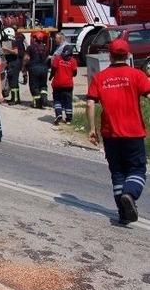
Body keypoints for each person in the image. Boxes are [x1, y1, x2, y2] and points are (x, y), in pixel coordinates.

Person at [86, 39, 150, 224]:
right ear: (128, 55)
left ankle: (123, 214)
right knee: (137, 169)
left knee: (117, 172)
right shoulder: (137, 75)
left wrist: (92, 129)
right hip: (134, 132)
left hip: (110, 134)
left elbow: (90, 103)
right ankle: (130, 194)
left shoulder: (100, 77)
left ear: (110, 56)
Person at [49, 45, 78, 125]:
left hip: (57, 84)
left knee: (57, 99)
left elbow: (53, 69)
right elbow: (75, 73)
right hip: (68, 85)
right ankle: (68, 119)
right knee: (68, 101)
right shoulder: (73, 61)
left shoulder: (58, 58)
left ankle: (59, 114)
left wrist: (51, 77)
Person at [23, 31, 49, 109]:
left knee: (34, 86)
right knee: (43, 85)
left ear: (34, 39)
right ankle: (44, 98)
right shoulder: (45, 47)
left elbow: (26, 58)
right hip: (44, 69)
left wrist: (23, 67)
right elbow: (47, 58)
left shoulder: (30, 47)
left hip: (34, 68)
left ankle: (37, 103)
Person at [1, 28, 25, 105]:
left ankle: (15, 99)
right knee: (12, 81)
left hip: (15, 63)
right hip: (12, 63)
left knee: (14, 82)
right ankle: (15, 98)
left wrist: (5, 49)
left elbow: (15, 52)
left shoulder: (13, 42)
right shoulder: (10, 41)